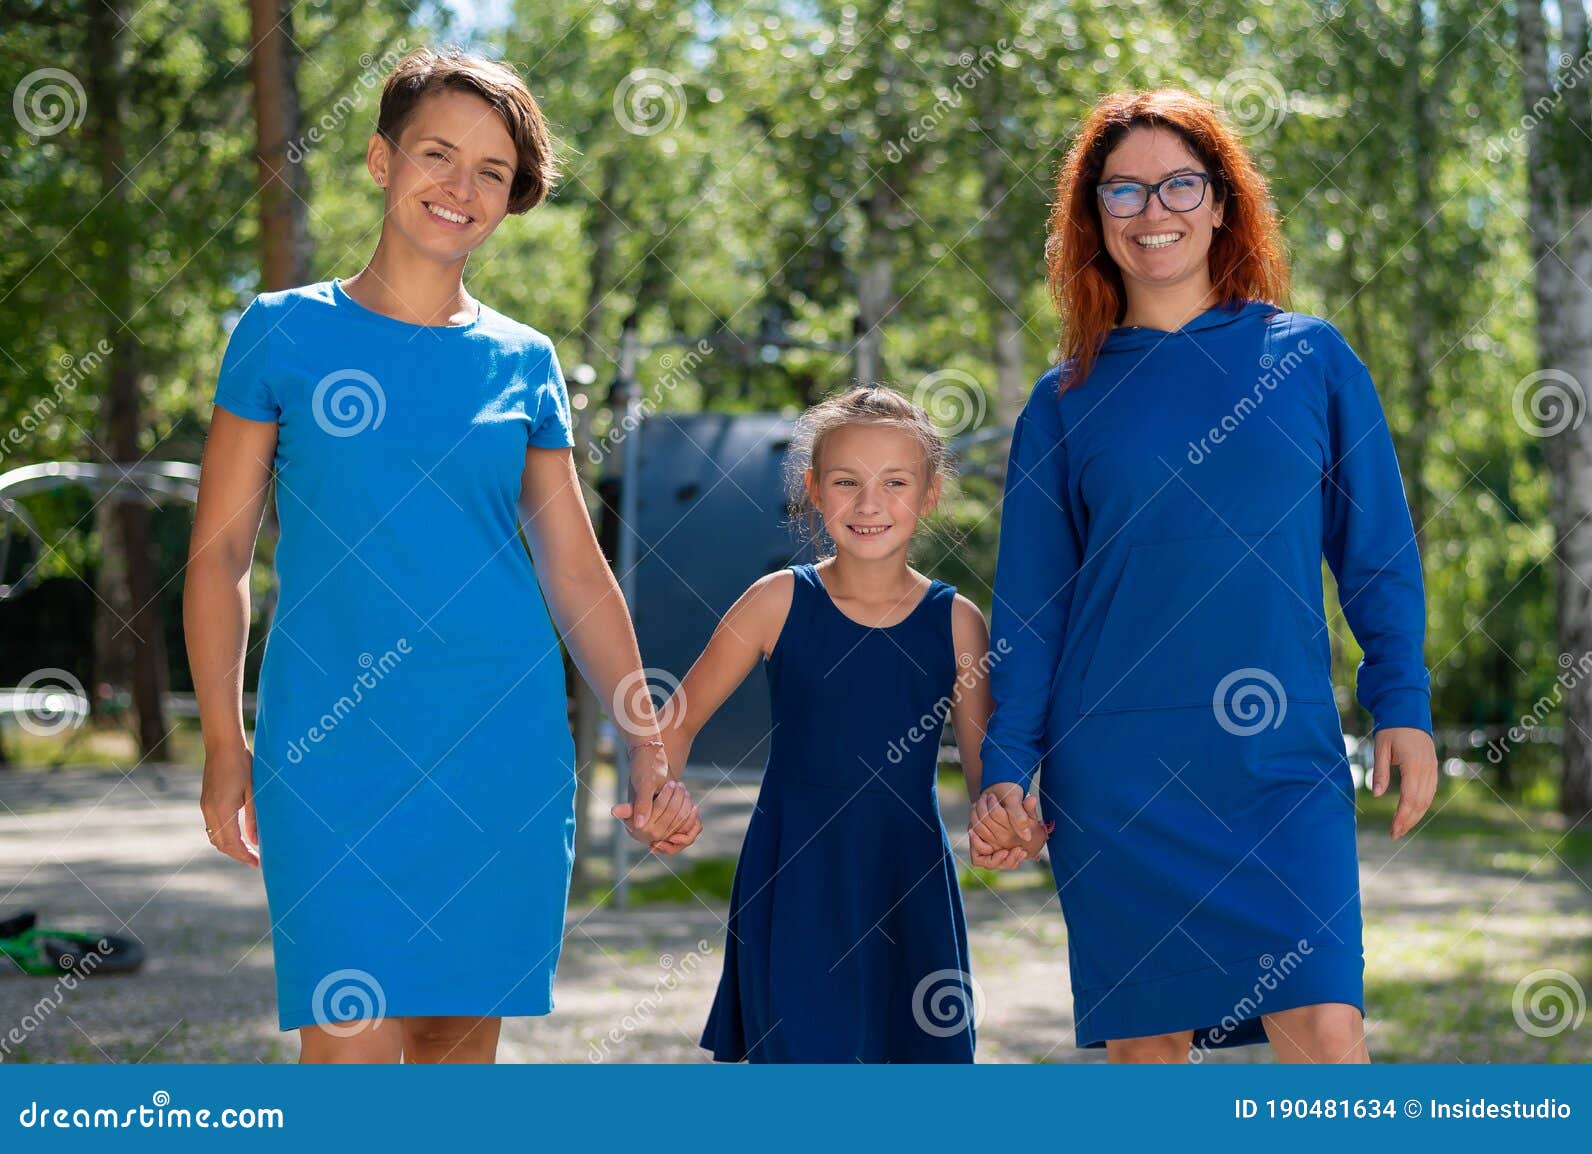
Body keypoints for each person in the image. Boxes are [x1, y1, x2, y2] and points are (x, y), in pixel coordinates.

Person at [184, 46, 700, 1064]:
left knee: (455, 1066)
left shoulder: (524, 360)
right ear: (381, 160)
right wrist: (221, 738)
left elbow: (573, 567)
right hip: (329, 752)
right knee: (351, 1058)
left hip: (498, 751)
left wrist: (645, 733)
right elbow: (220, 553)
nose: (459, 187)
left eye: (491, 172)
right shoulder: (281, 332)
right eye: (436, 153)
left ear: (510, 200)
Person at [970, 88, 1437, 1064]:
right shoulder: (1063, 402)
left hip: (1281, 764)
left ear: (1222, 203)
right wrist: (1007, 765)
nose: (1153, 211)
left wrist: (1402, 700)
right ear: (1092, 217)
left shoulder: (1311, 360)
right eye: (1123, 191)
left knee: (1324, 1034)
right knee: (1150, 1062)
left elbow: (1377, 551)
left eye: (1179, 183)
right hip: (1119, 776)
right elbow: (1032, 606)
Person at [659, 386, 1023, 1062]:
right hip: (794, 878)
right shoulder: (776, 602)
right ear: (814, 491)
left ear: (931, 493)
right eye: (847, 482)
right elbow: (672, 724)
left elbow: (985, 774)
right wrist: (660, 792)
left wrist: (1004, 814)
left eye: (895, 482)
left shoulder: (957, 620)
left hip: (906, 878)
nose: (869, 503)